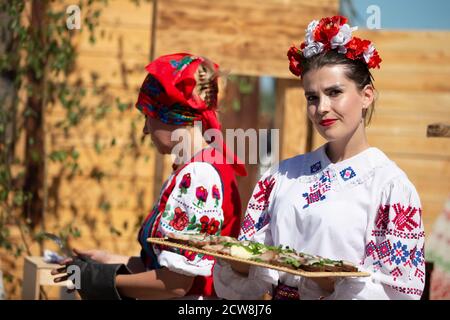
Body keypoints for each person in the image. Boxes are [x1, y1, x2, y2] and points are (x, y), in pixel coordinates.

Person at [213, 15, 426, 300]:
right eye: (312, 98)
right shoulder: (282, 176)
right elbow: (254, 267)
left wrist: (329, 285)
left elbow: (399, 292)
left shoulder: (389, 186)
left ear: (366, 95)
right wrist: (236, 259)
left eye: (334, 92)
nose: (322, 108)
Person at [52, 53, 246, 300]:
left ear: (171, 117)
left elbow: (175, 284)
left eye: (148, 117)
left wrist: (101, 280)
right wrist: (107, 261)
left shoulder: (199, 176)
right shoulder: (197, 167)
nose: (145, 130)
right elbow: (164, 269)